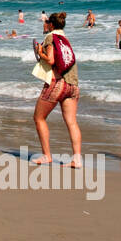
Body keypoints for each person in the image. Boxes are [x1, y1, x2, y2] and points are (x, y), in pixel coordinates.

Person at [30, 12, 82, 167]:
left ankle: (47, 156)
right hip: (73, 85)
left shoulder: (50, 37)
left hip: (57, 84)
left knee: (39, 118)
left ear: (51, 25)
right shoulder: (66, 39)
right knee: (72, 122)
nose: (44, 25)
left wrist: (40, 53)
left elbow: (51, 59)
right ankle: (77, 159)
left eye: (45, 23)